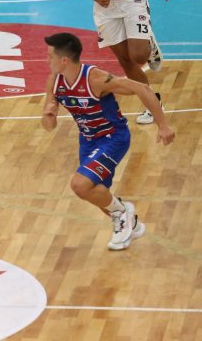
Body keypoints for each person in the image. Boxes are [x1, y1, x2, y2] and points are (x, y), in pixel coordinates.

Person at [42, 33, 174, 251]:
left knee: (80, 185)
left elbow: (141, 88)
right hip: (87, 141)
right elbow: (48, 126)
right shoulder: (54, 82)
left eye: (50, 56)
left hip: (113, 137)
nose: (46, 60)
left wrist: (163, 125)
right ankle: (131, 224)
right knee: (97, 193)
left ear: (64, 60)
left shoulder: (95, 79)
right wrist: (49, 114)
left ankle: (123, 213)